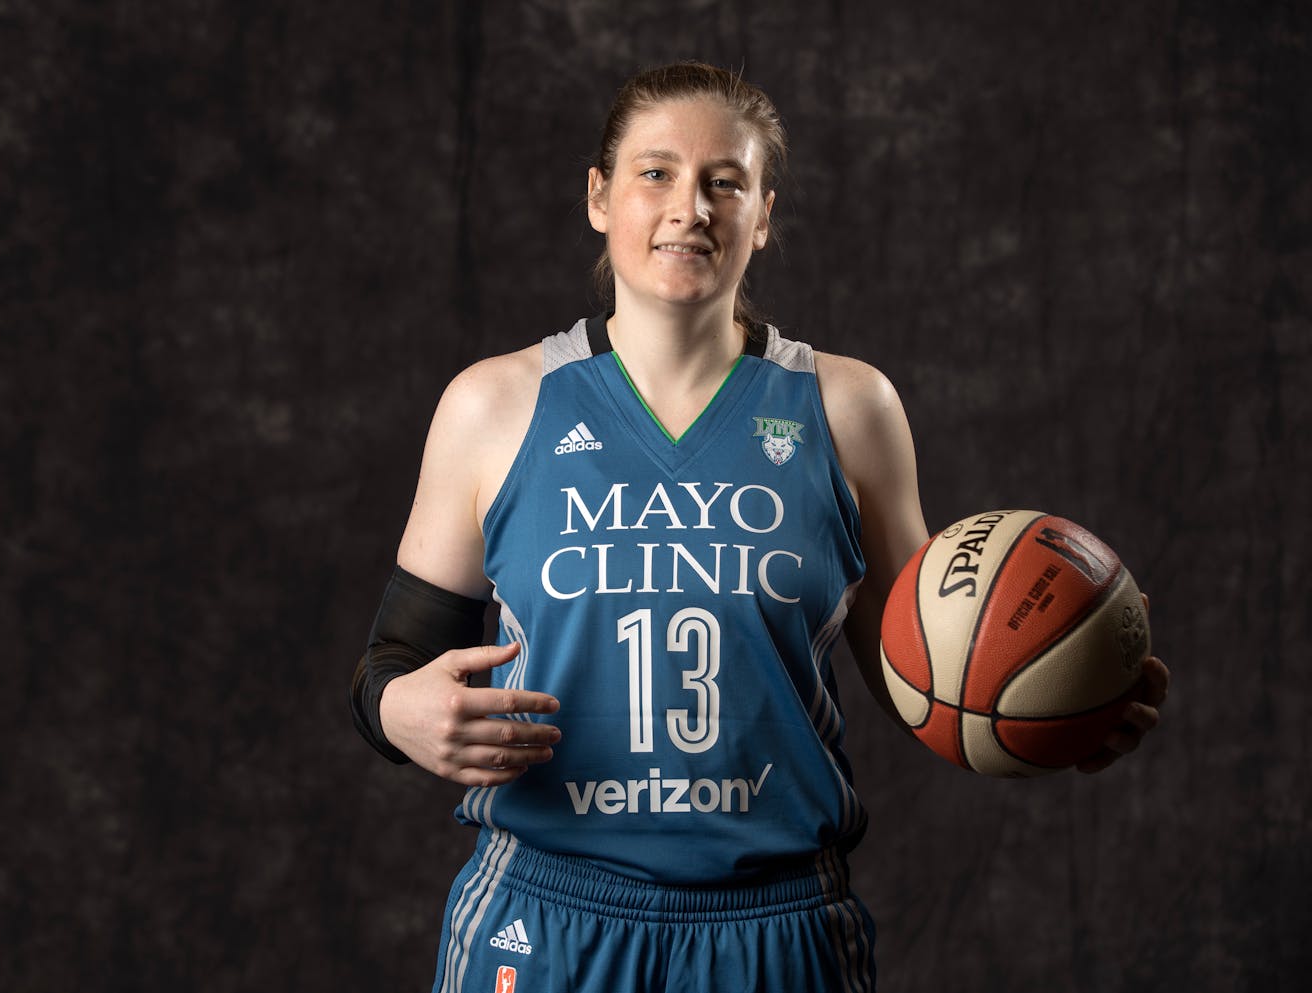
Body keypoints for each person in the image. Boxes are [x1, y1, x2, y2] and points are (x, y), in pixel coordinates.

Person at [348, 61, 1169, 992]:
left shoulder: (849, 407)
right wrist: (396, 710)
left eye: (723, 182)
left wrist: (1059, 704)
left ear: (763, 214)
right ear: (598, 197)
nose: (688, 208)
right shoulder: (494, 406)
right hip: (545, 918)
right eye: (655, 173)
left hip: (774, 931)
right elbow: (393, 661)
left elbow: (934, 673)